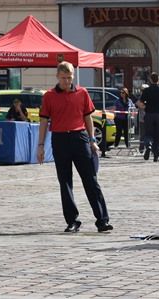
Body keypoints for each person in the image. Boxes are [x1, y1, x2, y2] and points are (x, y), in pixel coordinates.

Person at [37, 61, 111, 233]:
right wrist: (40, 145)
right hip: (60, 139)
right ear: (57, 76)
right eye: (63, 78)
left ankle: (102, 220)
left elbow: (88, 117)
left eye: (69, 78)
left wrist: (92, 140)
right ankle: (72, 221)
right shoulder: (49, 96)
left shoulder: (82, 93)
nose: (66, 81)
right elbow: (43, 121)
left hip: (80, 138)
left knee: (90, 180)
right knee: (65, 182)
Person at [137, 73, 159, 162]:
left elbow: (140, 103)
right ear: (158, 79)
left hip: (148, 114)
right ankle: (156, 156)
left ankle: (148, 145)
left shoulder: (146, 91)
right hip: (158, 115)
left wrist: (145, 107)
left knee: (148, 133)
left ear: (150, 80)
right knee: (157, 135)